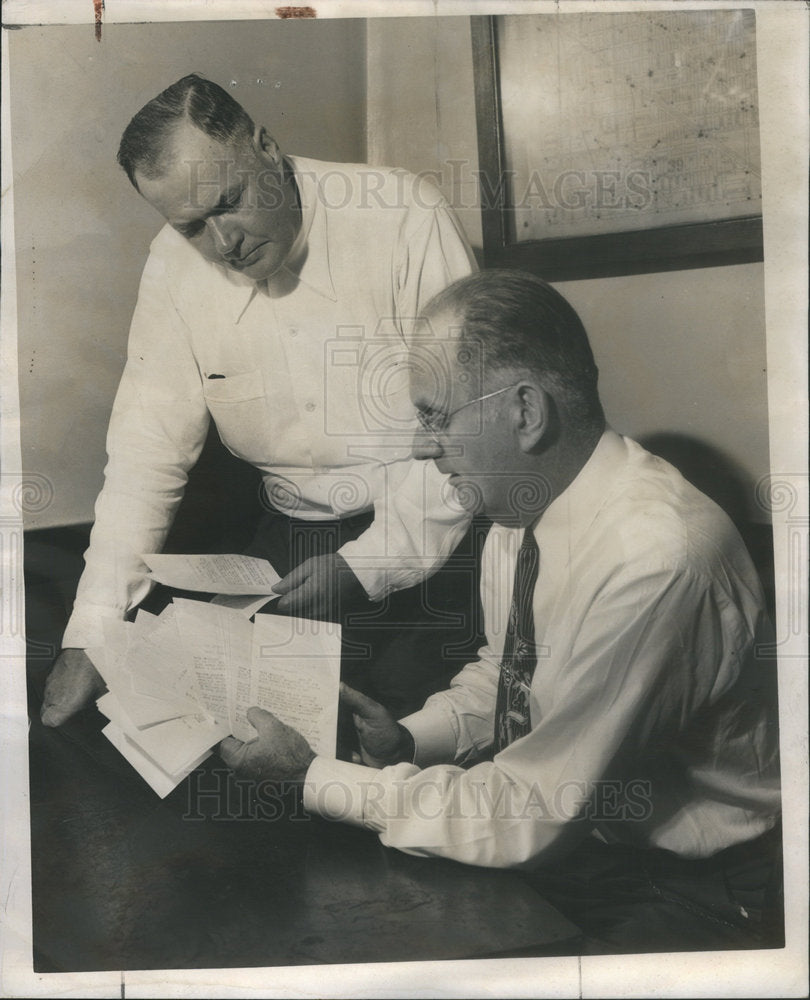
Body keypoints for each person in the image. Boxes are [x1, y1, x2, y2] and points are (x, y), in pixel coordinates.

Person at [219, 269, 782, 953]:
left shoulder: (657, 561)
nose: (423, 447)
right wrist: (410, 740)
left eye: (434, 416)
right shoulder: (520, 508)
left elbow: (531, 812)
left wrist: (312, 777)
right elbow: (509, 673)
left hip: (706, 898)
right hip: (594, 852)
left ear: (524, 411)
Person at [40, 74, 483, 731]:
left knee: (389, 729)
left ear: (267, 149)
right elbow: (143, 462)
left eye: (231, 202)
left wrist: (367, 565)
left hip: (440, 519)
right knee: (218, 727)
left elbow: (469, 429)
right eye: (193, 226)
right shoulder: (171, 267)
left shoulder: (401, 213)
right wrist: (92, 629)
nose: (224, 243)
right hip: (289, 547)